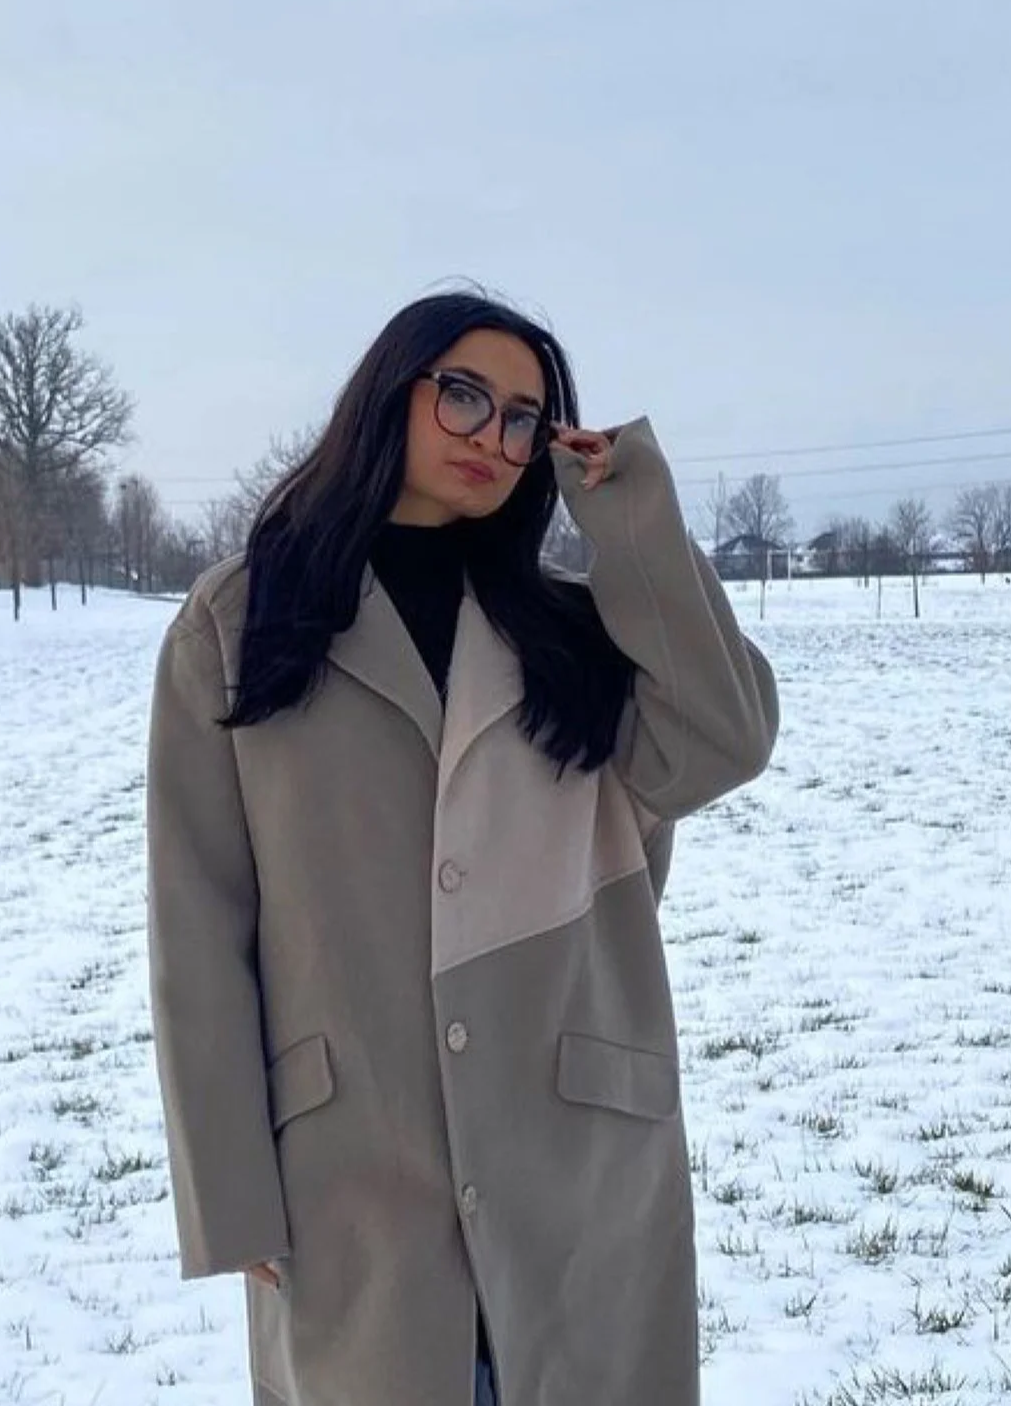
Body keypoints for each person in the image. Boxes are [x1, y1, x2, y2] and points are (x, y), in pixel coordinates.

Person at [144, 289, 780, 1406]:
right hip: (356, 1153)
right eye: (465, 396)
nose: (494, 434)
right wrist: (230, 1191)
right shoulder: (241, 621)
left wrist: (629, 519)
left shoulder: (573, 629)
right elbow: (197, 921)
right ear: (392, 394)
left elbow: (725, 737)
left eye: (523, 417)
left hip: (572, 1142)